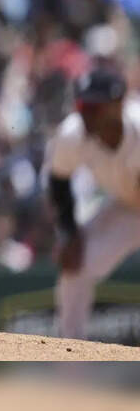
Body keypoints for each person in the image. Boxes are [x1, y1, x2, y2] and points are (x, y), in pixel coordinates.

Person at [46, 66, 140, 339]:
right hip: (127, 208)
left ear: (118, 104)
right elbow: (58, 181)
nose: (85, 113)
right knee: (76, 264)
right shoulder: (72, 135)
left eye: (94, 106)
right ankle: (71, 360)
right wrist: (68, 232)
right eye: (82, 105)